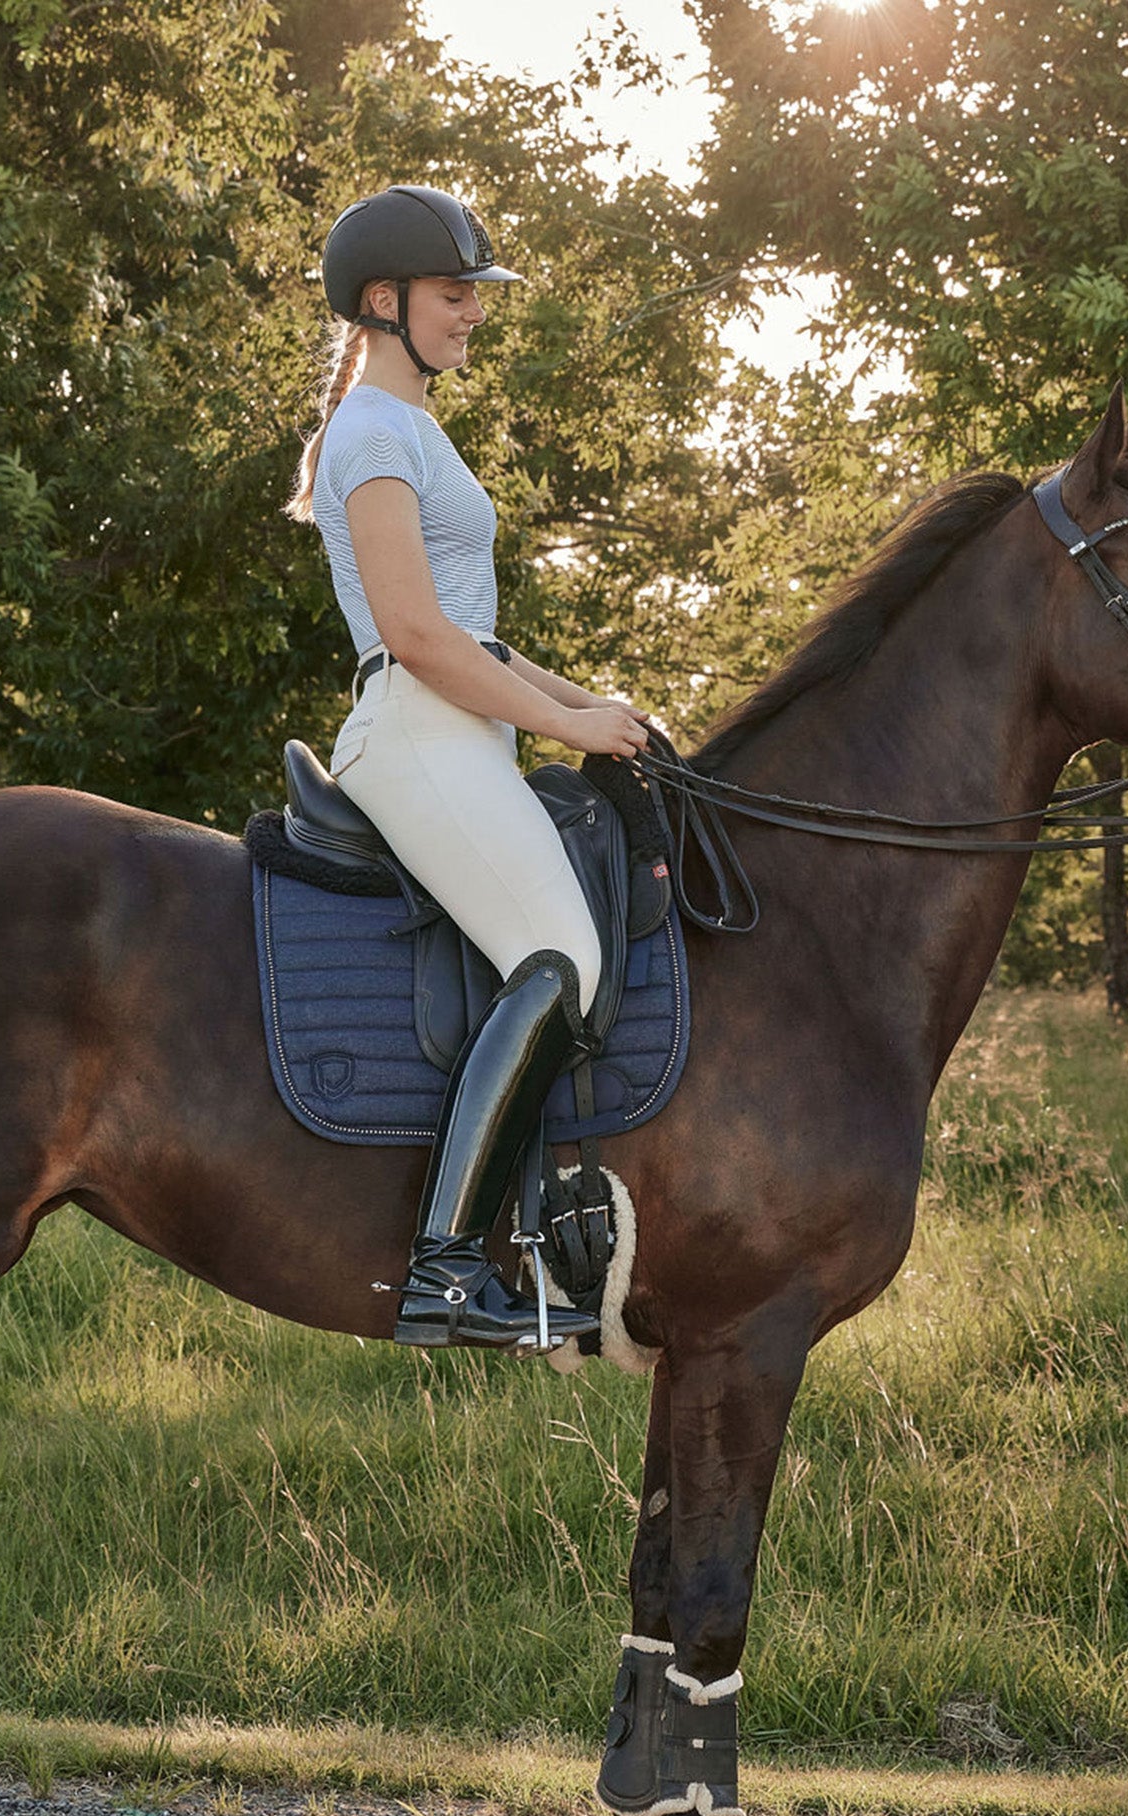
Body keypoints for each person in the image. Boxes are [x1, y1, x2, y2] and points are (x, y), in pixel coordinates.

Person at [287, 183, 650, 1353]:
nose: (473, 314)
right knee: (562, 957)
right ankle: (445, 1272)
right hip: (417, 728)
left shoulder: (411, 425)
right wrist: (568, 733)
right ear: (383, 302)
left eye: (475, 296)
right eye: (455, 295)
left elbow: (477, 637)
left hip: (461, 721)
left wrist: (577, 701)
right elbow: (416, 633)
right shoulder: (370, 432)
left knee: (566, 949)